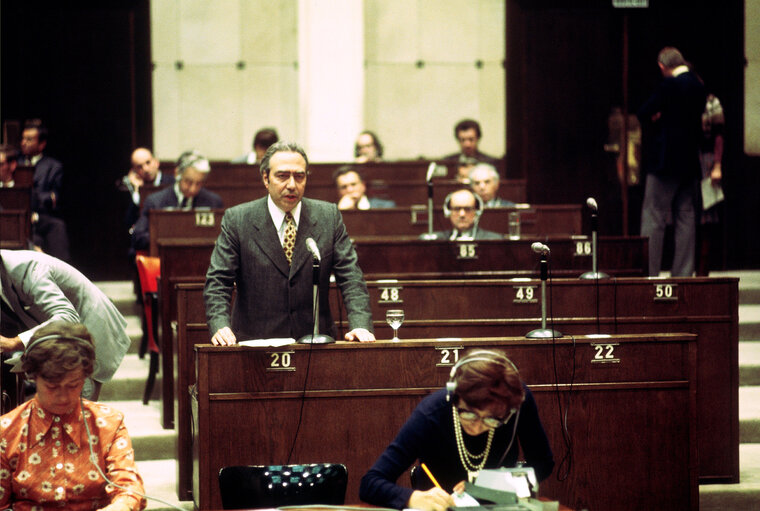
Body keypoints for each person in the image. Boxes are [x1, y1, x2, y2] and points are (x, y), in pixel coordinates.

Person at [204, 141, 375, 345]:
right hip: (255, 345)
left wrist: (360, 324)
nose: (292, 185)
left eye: (299, 176)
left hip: (315, 342)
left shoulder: (328, 216)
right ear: (266, 178)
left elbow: (351, 277)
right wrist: (220, 324)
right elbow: (218, 281)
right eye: (282, 176)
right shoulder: (238, 219)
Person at [359, 349, 554, 511]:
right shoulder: (431, 413)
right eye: (469, 415)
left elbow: (544, 464)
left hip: (500, 504)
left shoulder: (517, 403)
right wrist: (411, 498)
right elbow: (370, 483)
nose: (477, 426)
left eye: (491, 420)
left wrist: (496, 484)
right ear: (455, 398)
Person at [0, 321, 147, 511]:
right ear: (33, 376)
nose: (63, 396)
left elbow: (130, 487)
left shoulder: (109, 423)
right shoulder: (7, 431)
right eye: (52, 387)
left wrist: (121, 506)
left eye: (73, 385)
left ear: (85, 377)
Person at [0, 249, 132, 400]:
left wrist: (13, 343)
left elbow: (67, 318)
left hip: (87, 329)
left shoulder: (28, 268)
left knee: (77, 410)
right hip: (61, 339)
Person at [637, 47, 706, 277]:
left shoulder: (668, 86)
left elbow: (645, 111)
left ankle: (650, 273)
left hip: (665, 161)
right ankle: (683, 275)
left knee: (654, 216)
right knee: (685, 216)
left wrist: (659, 117)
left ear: (662, 66)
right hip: (689, 162)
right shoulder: (698, 85)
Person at [131, 150, 223, 252]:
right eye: (188, 182)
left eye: (199, 183)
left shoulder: (213, 202)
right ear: (177, 174)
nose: (193, 189)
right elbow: (138, 237)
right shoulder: (155, 201)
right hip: (166, 258)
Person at [19, 119, 70, 262]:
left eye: (29, 139)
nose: (24, 143)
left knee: (58, 228)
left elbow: (54, 198)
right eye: (23, 138)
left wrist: (36, 198)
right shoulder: (14, 163)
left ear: (42, 144)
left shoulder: (53, 166)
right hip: (20, 218)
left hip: (42, 217)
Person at [696, 93, 725, 276]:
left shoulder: (711, 102)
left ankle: (702, 271)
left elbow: (719, 135)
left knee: (707, 215)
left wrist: (717, 163)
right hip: (688, 159)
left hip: (706, 159)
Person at [118, 147, 175, 233]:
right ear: (134, 170)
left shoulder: (171, 182)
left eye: (148, 163)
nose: (145, 169)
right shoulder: (127, 187)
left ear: (156, 162)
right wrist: (137, 191)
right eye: (139, 167)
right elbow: (128, 222)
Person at [429, 188, 502, 241]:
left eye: (467, 209)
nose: (462, 214)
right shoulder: (436, 241)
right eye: (457, 209)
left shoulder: (494, 240)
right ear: (448, 212)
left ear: (477, 212)